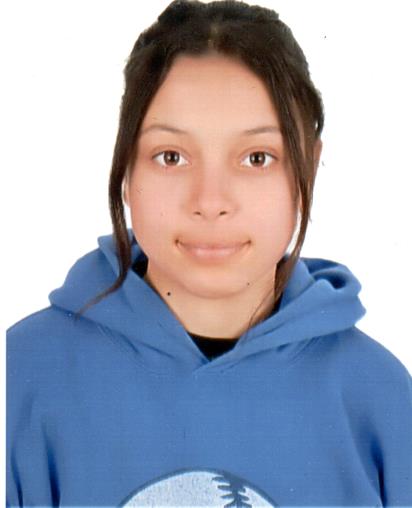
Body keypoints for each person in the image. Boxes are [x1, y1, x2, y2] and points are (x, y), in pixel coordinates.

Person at [6, 0, 412, 506]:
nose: (210, 201)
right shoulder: (22, 376)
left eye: (257, 158)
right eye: (171, 156)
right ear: (127, 166)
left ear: (308, 168)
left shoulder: (381, 398)